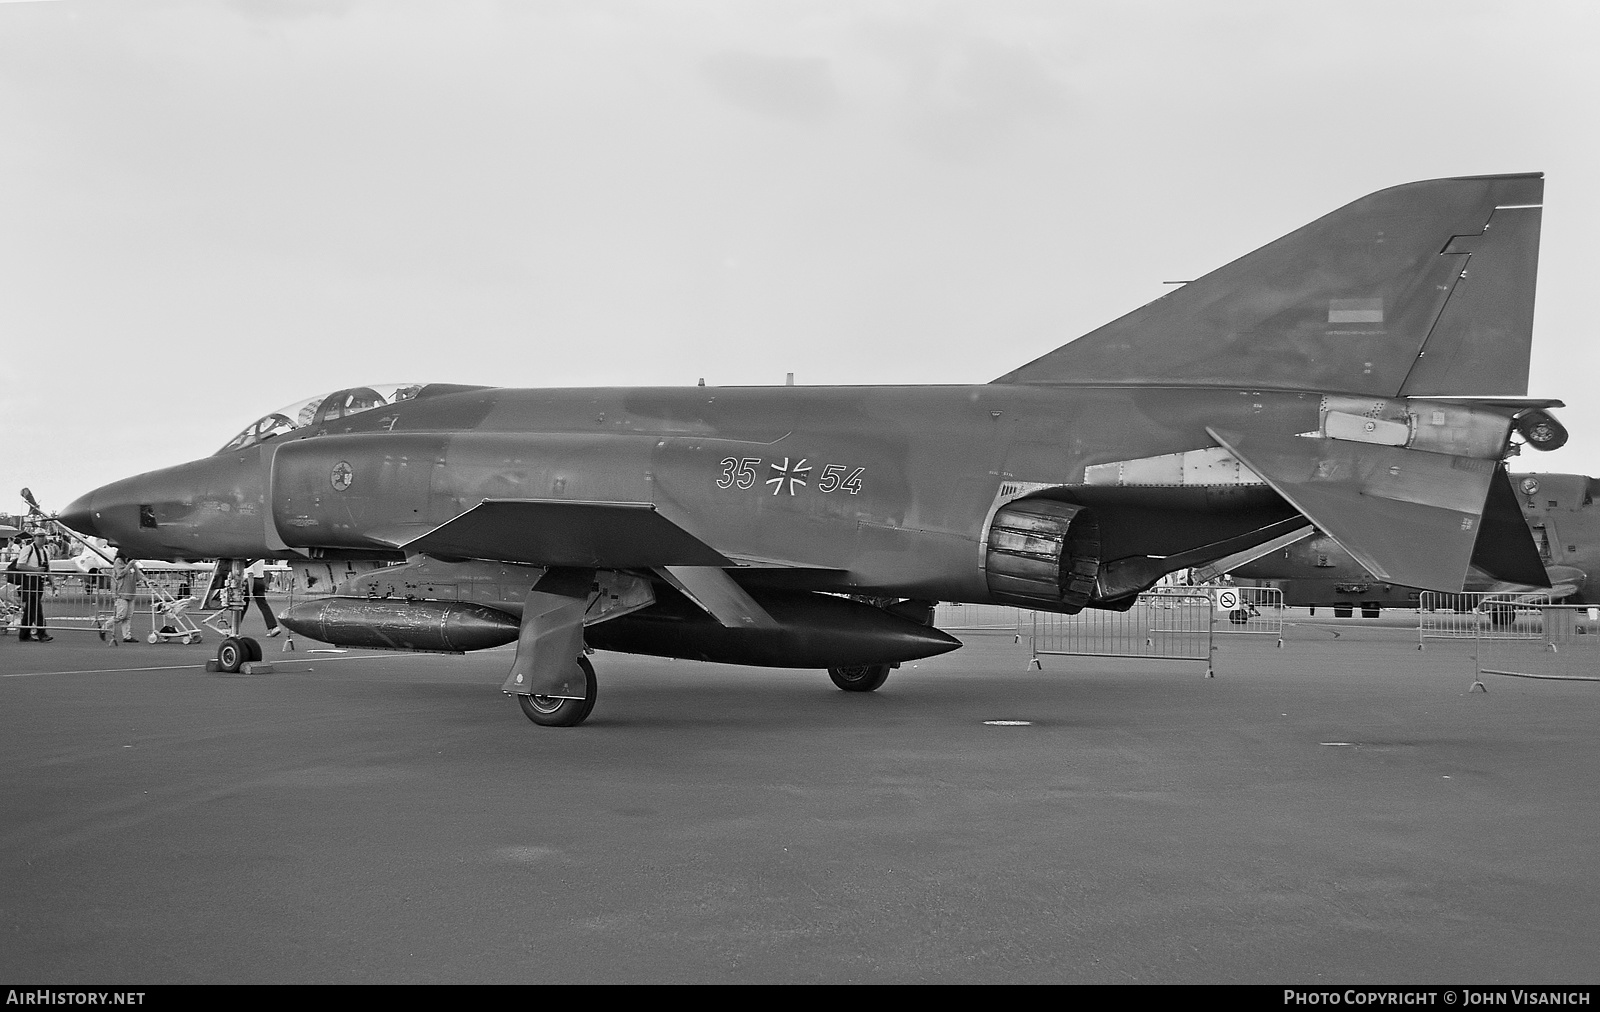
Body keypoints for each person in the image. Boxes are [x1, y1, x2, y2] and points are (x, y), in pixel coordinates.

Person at [14, 530, 53, 642]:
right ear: (34, 537)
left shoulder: (46, 551)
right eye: (39, 536)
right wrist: (35, 569)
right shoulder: (28, 549)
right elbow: (19, 565)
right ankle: (42, 632)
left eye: (43, 536)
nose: (41, 538)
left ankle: (24, 634)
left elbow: (47, 568)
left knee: (31, 608)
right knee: (36, 608)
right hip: (30, 579)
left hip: (39, 580)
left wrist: (52, 581)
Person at [107, 552, 143, 645]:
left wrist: (134, 566)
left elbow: (139, 577)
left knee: (128, 616)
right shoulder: (118, 562)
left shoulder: (132, 563)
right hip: (121, 592)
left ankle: (127, 636)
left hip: (131, 592)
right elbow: (120, 574)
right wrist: (129, 565)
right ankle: (105, 626)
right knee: (121, 615)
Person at [241, 559, 281, 637]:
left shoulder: (250, 558)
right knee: (263, 605)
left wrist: (250, 592)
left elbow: (250, 575)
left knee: (243, 606)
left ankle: (234, 627)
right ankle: (273, 626)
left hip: (252, 582)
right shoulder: (260, 558)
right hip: (260, 581)